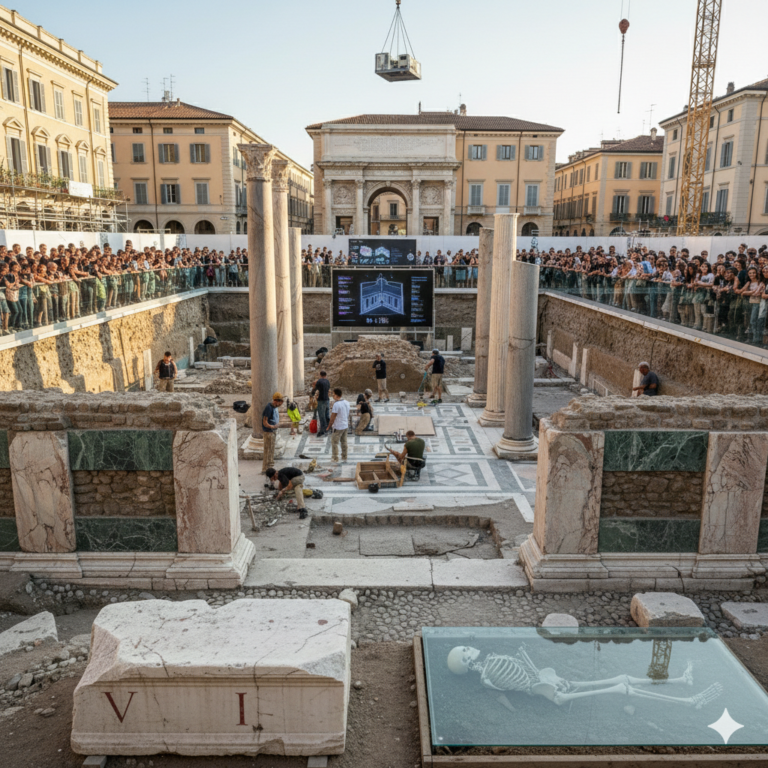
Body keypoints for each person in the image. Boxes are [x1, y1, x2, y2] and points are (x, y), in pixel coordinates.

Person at [261, 391, 283, 473]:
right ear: (276, 401)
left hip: (273, 432)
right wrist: (272, 426)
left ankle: (270, 467)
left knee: (271, 451)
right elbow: (264, 422)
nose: (281, 404)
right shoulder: (269, 407)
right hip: (268, 432)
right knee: (268, 451)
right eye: (280, 402)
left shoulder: (275, 407)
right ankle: (266, 469)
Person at [328, 388, 350, 463]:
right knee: (344, 442)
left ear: (337, 396)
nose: (333, 396)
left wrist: (329, 425)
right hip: (345, 425)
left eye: (333, 395)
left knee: (334, 442)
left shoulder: (336, 404)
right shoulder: (347, 402)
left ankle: (335, 457)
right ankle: (344, 456)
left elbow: (333, 416)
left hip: (338, 426)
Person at [311, 370, 331, 437]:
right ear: (326, 375)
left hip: (321, 400)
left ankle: (323, 430)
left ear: (320, 375)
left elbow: (315, 390)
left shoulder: (319, 381)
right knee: (327, 415)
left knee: (322, 416)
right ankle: (328, 428)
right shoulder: (327, 381)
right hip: (327, 400)